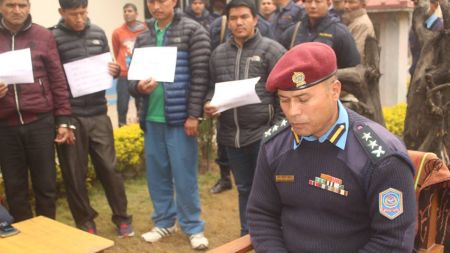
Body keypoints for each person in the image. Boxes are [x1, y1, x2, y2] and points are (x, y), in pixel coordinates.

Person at [247, 42, 417, 252]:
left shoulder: (382, 159)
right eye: (284, 100)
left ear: (335, 91)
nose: (293, 112)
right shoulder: (275, 144)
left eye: (303, 99)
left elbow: (394, 241)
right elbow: (261, 213)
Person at [128, 0, 210, 249]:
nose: (156, 6)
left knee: (184, 177)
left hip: (179, 119)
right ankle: (163, 221)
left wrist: (194, 115)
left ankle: (193, 226)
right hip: (152, 119)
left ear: (173, 1)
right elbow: (132, 79)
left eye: (161, 0)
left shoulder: (193, 30)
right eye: (151, 1)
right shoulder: (143, 36)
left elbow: (200, 76)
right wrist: (139, 87)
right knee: (157, 175)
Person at [51, 0, 133, 237]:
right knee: (74, 173)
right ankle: (85, 220)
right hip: (71, 116)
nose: (79, 19)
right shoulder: (53, 38)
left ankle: (122, 218)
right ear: (62, 12)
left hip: (98, 112)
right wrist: (62, 119)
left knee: (109, 168)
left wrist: (114, 71)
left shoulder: (98, 32)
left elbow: (108, 67)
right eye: (74, 14)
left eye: (83, 13)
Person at [204, 0, 285, 236]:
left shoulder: (272, 50)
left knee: (269, 190)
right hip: (232, 136)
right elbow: (212, 88)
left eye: (244, 17)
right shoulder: (218, 54)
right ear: (227, 22)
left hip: (264, 135)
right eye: (233, 18)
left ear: (255, 20)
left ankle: (273, 237)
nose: (239, 22)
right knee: (244, 188)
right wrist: (209, 103)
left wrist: (276, 130)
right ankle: (246, 236)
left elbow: (285, 94)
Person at [0, 0, 72, 222]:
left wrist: (63, 120)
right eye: (10, 5)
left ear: (29, 7)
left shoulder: (43, 35)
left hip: (40, 122)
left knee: (46, 186)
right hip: (5, 127)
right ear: (1, 7)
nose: (17, 10)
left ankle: (48, 235)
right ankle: (26, 240)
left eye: (22, 5)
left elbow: (57, 79)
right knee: (15, 188)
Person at [280, 0, 360, 68]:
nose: (313, 6)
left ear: (328, 3)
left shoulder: (340, 32)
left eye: (318, 1)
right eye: (309, 1)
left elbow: (353, 67)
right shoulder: (294, 31)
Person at [112, 3, 147, 127]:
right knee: (122, 104)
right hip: (124, 74)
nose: (127, 13)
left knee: (141, 104)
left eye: (130, 11)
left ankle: (140, 127)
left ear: (136, 13)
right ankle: (122, 128)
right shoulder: (117, 32)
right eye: (125, 11)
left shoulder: (145, 29)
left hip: (140, 74)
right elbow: (116, 51)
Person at [408, 0, 443, 77]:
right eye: (415, 4)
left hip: (430, 77)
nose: (417, 8)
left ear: (435, 6)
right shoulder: (415, 27)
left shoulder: (439, 28)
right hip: (415, 73)